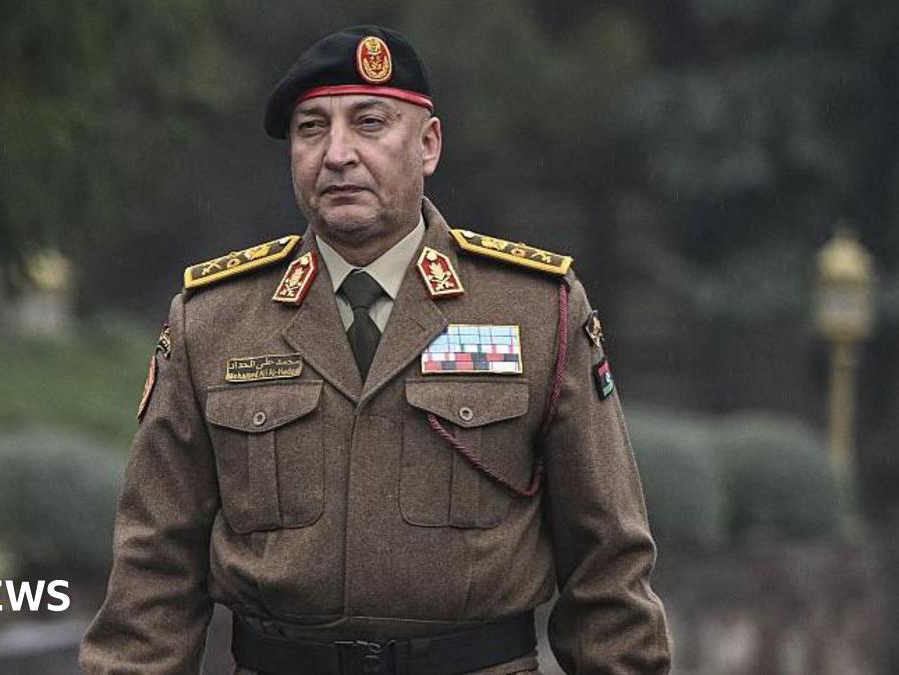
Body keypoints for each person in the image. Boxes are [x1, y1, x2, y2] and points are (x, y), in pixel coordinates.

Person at [80, 25, 671, 675]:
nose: (337, 154)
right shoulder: (216, 319)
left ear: (429, 144)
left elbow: (607, 563)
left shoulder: (534, 308)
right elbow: (153, 573)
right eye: (311, 129)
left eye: (369, 123)